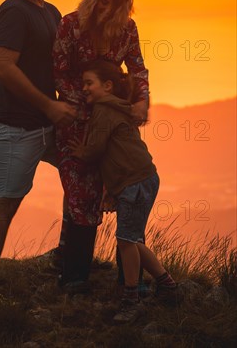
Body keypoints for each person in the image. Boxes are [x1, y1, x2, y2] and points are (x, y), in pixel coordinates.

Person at [0, 0, 76, 306]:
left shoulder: (51, 12)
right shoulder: (13, 11)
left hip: (46, 122)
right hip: (15, 125)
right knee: (5, 204)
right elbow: (4, 68)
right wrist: (49, 106)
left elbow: (57, 66)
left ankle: (68, 257)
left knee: (79, 173)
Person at [53, 0, 149, 291]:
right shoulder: (70, 25)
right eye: (102, 2)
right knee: (82, 196)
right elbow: (60, 74)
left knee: (127, 194)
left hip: (116, 127)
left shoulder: (127, 30)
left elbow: (137, 69)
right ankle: (74, 279)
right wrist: (87, 104)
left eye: (112, 6)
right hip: (76, 126)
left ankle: (130, 283)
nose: (104, 11)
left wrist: (140, 102)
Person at [70, 60, 177, 323]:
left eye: (89, 83)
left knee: (126, 241)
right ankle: (167, 285)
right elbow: (114, 154)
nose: (84, 88)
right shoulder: (116, 108)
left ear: (107, 86)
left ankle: (131, 299)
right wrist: (111, 190)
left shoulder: (103, 111)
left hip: (135, 182)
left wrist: (79, 152)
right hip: (142, 178)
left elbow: (96, 149)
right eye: (83, 83)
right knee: (132, 239)